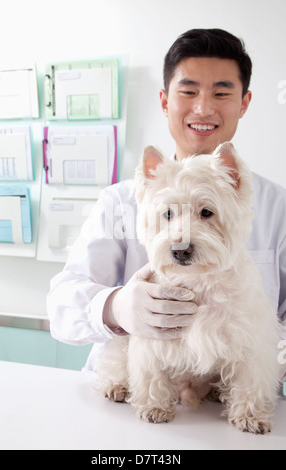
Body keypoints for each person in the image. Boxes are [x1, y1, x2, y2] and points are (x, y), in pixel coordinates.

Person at [47, 29, 286, 377]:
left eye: (221, 92)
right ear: (164, 100)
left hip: (229, 413)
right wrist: (115, 308)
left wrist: (263, 363)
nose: (203, 108)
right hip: (132, 396)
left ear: (244, 103)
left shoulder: (277, 206)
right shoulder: (120, 201)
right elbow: (60, 307)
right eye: (188, 91)